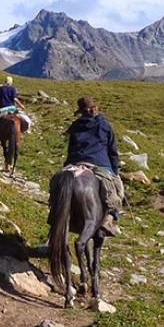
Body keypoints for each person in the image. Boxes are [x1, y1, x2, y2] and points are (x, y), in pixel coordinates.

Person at [64, 96, 125, 236]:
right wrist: (114, 171)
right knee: (118, 190)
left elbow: (71, 148)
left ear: (81, 111)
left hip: (76, 161)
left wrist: (68, 163)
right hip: (99, 162)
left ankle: (55, 215)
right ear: (95, 108)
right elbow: (112, 150)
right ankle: (111, 218)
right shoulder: (105, 125)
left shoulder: (75, 125)